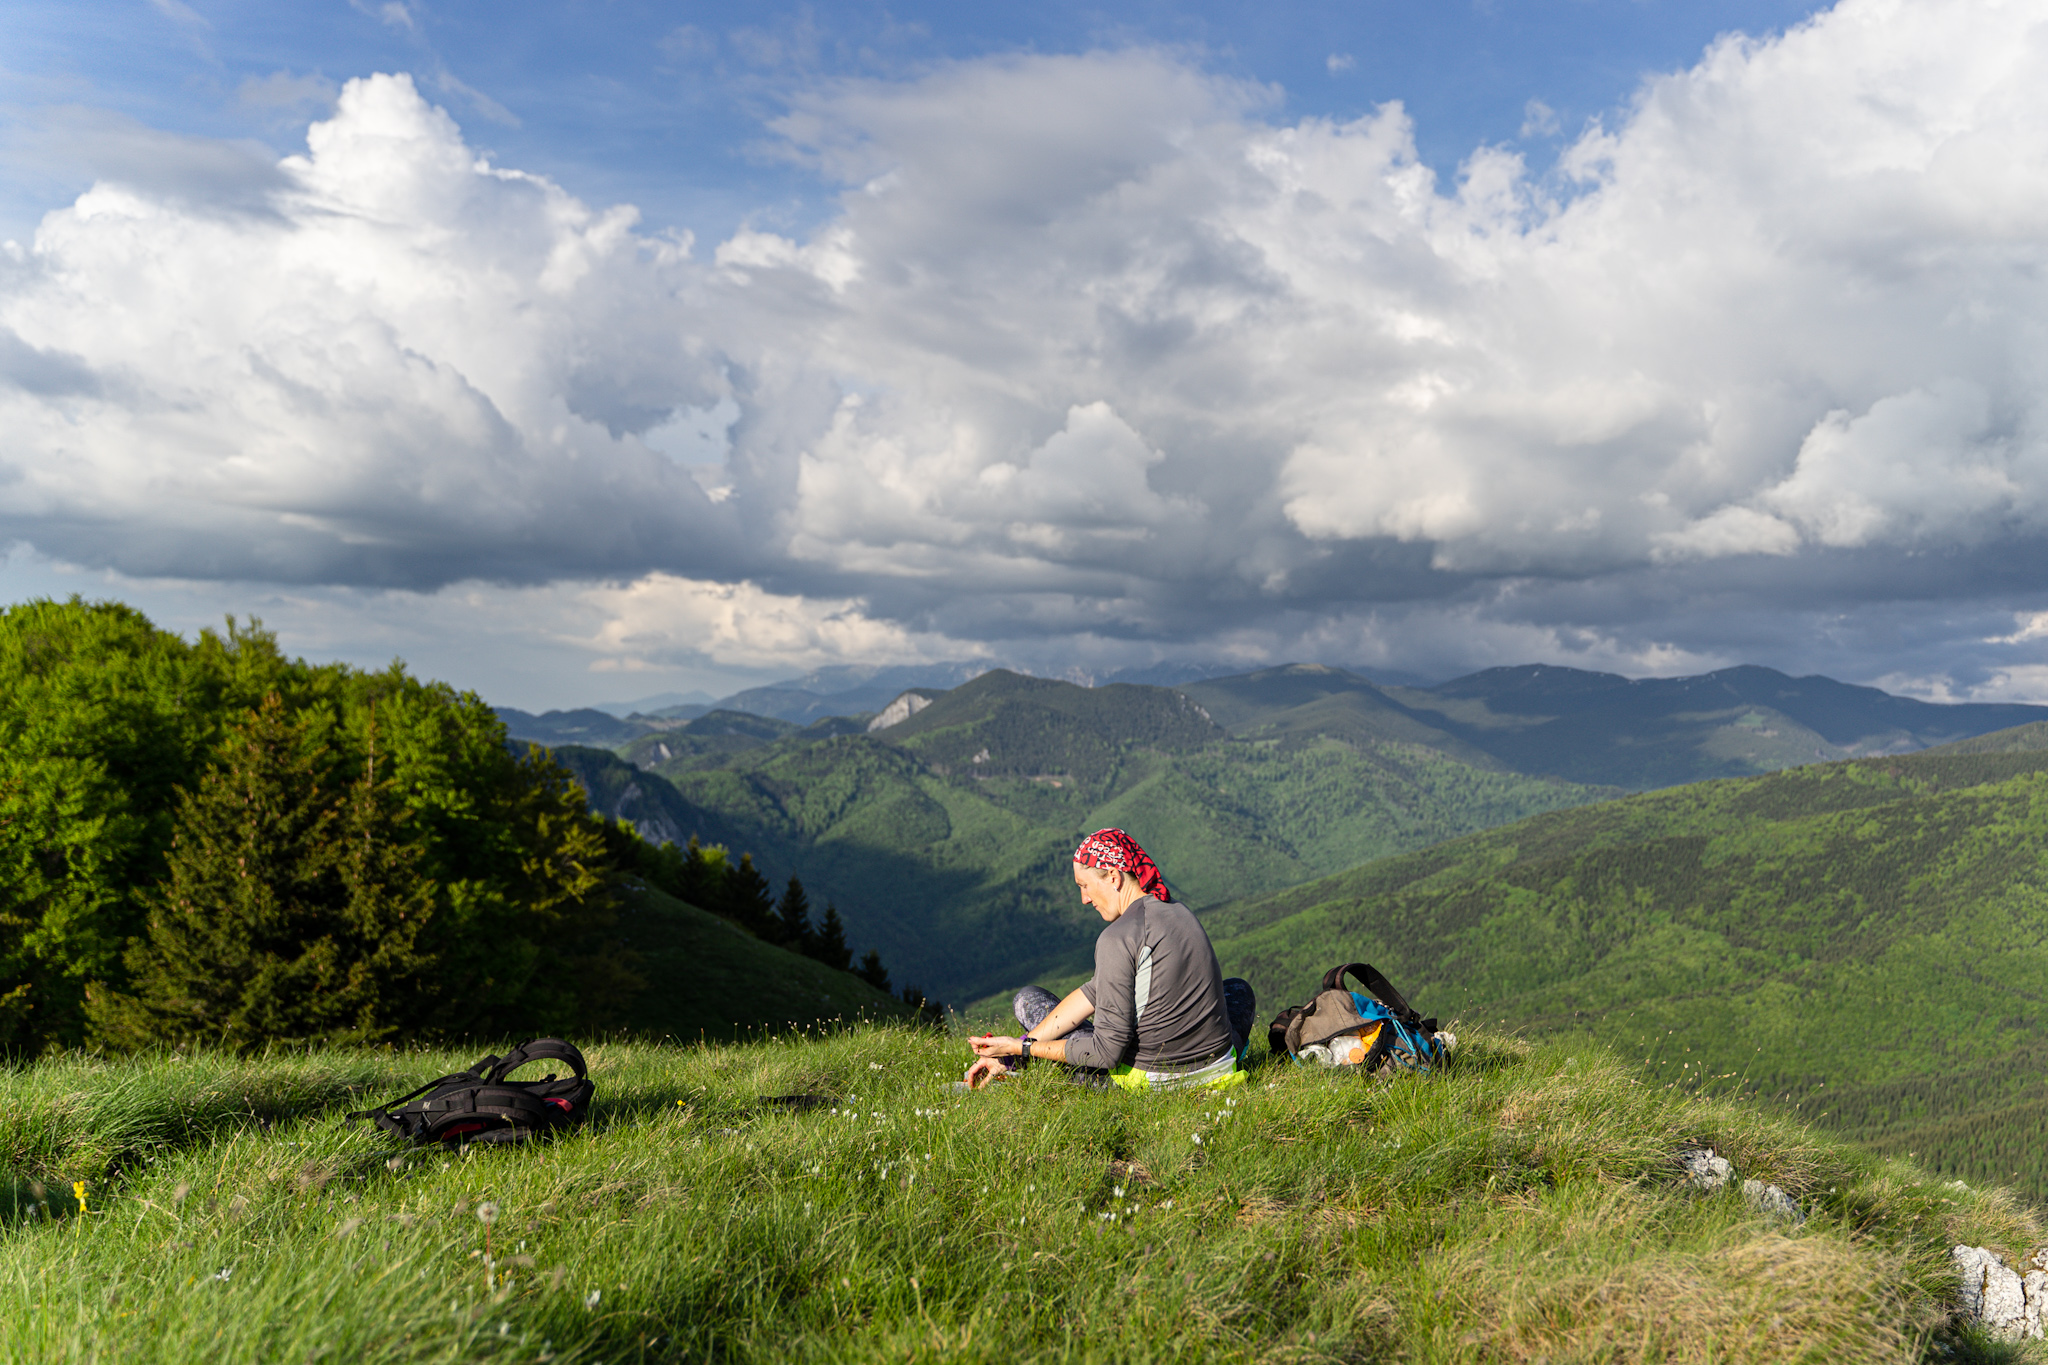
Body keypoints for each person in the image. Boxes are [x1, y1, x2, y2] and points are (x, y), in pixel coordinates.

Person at [966, 828, 1255, 1092]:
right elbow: (1095, 992)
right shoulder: (1180, 911)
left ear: (1113, 877)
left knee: (1028, 1000)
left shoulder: (1116, 937)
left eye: (1085, 885)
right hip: (1218, 1070)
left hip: (1152, 1084)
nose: (1084, 898)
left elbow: (1106, 1052)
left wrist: (1022, 1051)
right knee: (1238, 989)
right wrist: (1016, 1048)